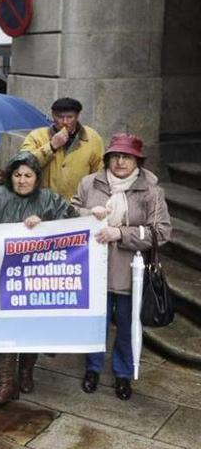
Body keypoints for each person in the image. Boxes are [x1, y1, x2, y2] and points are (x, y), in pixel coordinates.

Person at [0, 151, 77, 408]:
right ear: (10, 176)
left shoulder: (49, 199)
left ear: (36, 178)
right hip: (2, 276)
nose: (22, 180)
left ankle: (26, 370)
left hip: (37, 277)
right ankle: (6, 383)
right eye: (17, 175)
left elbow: (73, 225)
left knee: (32, 327)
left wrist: (45, 225)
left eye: (28, 175)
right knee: (5, 327)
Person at [71, 133, 171, 401]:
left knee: (127, 326)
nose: (120, 161)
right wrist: (87, 215)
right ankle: (92, 368)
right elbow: (70, 213)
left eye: (126, 156)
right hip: (94, 269)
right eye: (115, 155)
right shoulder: (89, 183)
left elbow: (161, 233)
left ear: (137, 160)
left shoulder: (151, 191)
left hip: (130, 272)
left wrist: (121, 234)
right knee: (94, 323)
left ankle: (123, 373)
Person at [21, 97, 104, 201]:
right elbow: (24, 164)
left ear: (77, 116)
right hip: (43, 203)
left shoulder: (92, 137)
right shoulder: (36, 136)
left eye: (70, 117)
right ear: (53, 115)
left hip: (77, 203)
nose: (65, 122)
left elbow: (99, 171)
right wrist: (51, 146)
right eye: (60, 117)